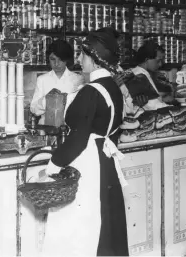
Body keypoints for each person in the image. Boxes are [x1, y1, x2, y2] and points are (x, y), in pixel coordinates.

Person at [41, 28, 129, 256]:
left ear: (95, 58)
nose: (79, 59)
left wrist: (54, 164)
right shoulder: (113, 88)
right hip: (106, 161)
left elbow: (78, 138)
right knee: (106, 222)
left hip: (87, 163)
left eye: (82, 54)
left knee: (83, 228)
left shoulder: (91, 91)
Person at [30, 39, 84, 124]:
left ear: (67, 59)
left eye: (60, 59)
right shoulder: (42, 79)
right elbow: (34, 109)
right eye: (53, 59)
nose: (56, 63)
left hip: (69, 128)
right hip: (46, 128)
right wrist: (47, 99)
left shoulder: (78, 79)